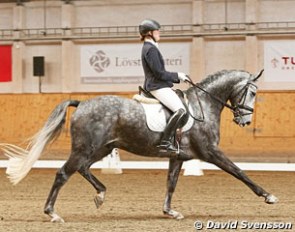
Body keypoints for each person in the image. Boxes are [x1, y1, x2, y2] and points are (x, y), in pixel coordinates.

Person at [139, 19, 189, 153]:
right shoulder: (150, 49)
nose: (159, 33)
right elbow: (159, 73)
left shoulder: (150, 47)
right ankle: (165, 142)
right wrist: (177, 75)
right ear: (149, 33)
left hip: (158, 85)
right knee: (181, 110)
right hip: (157, 86)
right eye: (157, 31)